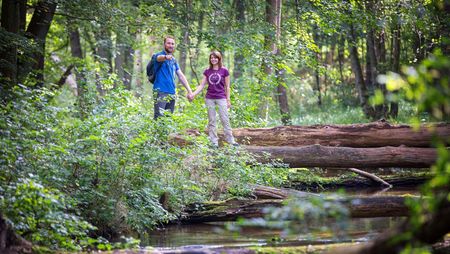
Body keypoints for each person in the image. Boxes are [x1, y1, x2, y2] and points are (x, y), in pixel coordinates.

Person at [189, 51, 238, 147]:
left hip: (221, 98)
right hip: (210, 98)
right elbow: (202, 85)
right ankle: (214, 142)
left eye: (215, 58)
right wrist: (193, 94)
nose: (213, 59)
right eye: (211, 58)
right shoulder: (207, 71)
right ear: (210, 59)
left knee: (225, 119)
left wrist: (228, 99)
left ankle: (230, 140)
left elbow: (227, 87)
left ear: (219, 59)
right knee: (212, 120)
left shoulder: (224, 71)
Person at [152, 36, 193, 119]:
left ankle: (166, 133)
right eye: (168, 43)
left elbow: (180, 75)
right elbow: (158, 58)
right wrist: (165, 57)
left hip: (171, 92)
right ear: (164, 44)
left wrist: (189, 91)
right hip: (160, 91)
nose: (171, 45)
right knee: (159, 117)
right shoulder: (158, 55)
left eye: (172, 44)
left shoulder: (173, 60)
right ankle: (157, 132)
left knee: (168, 119)